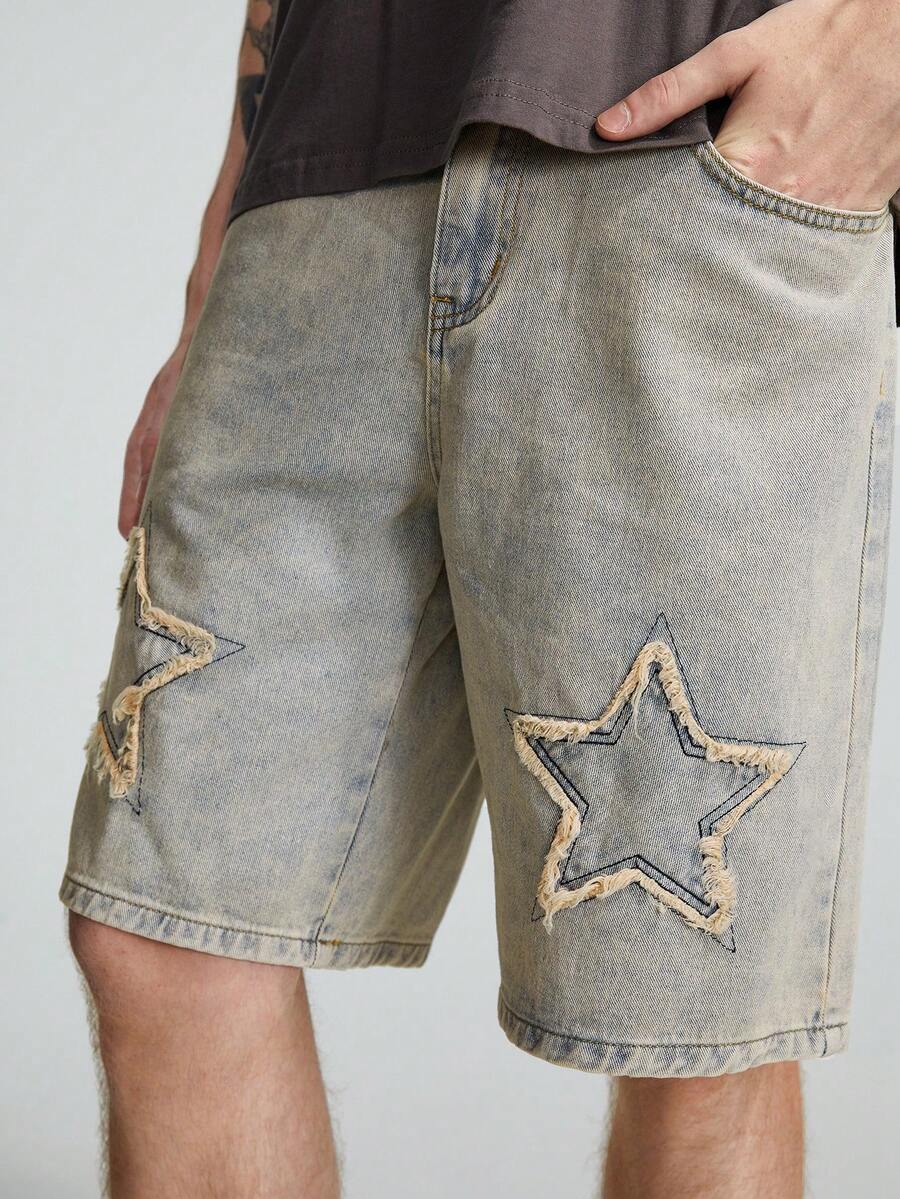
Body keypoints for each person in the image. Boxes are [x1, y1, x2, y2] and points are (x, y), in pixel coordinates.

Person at [61, 2, 899, 1196]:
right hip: (319, 184)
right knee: (159, 927)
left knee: (687, 1024)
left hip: (678, 159)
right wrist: (223, 243)